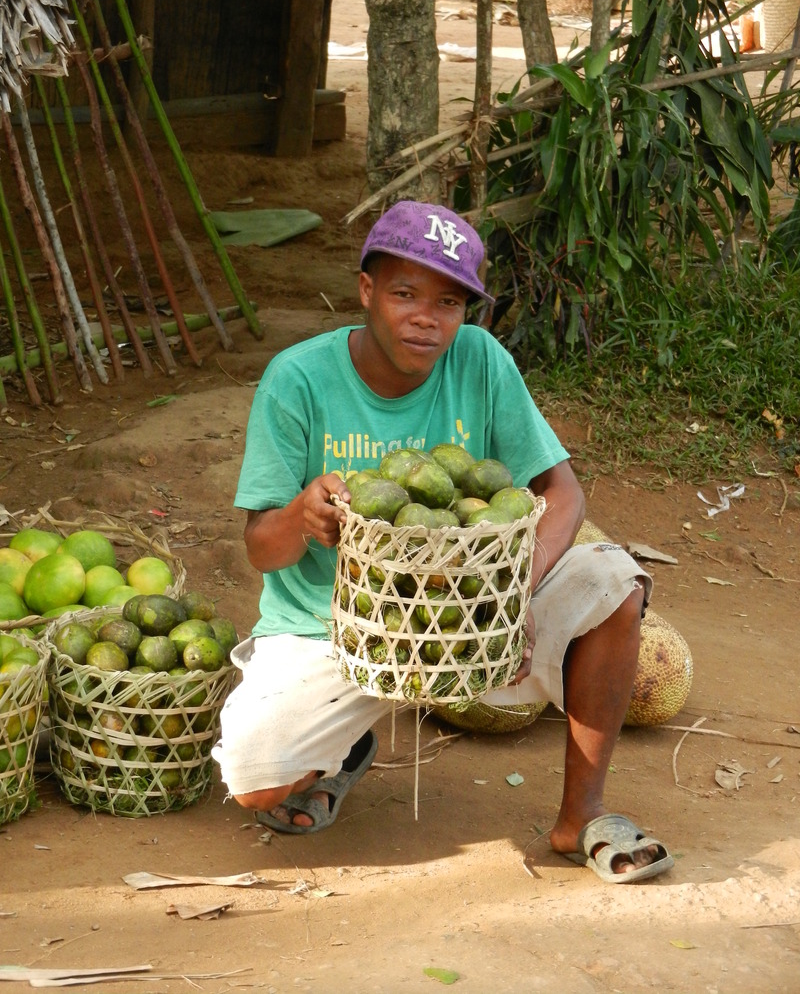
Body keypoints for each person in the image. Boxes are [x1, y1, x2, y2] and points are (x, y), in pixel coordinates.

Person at [212, 199, 674, 885]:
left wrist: (513, 597)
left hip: (471, 622)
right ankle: (346, 746)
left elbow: (564, 493)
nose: (427, 317)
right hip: (333, 630)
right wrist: (303, 516)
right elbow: (259, 548)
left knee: (613, 579)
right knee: (255, 780)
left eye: (449, 301)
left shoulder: (481, 361)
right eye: (404, 294)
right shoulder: (297, 378)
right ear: (366, 291)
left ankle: (582, 814)